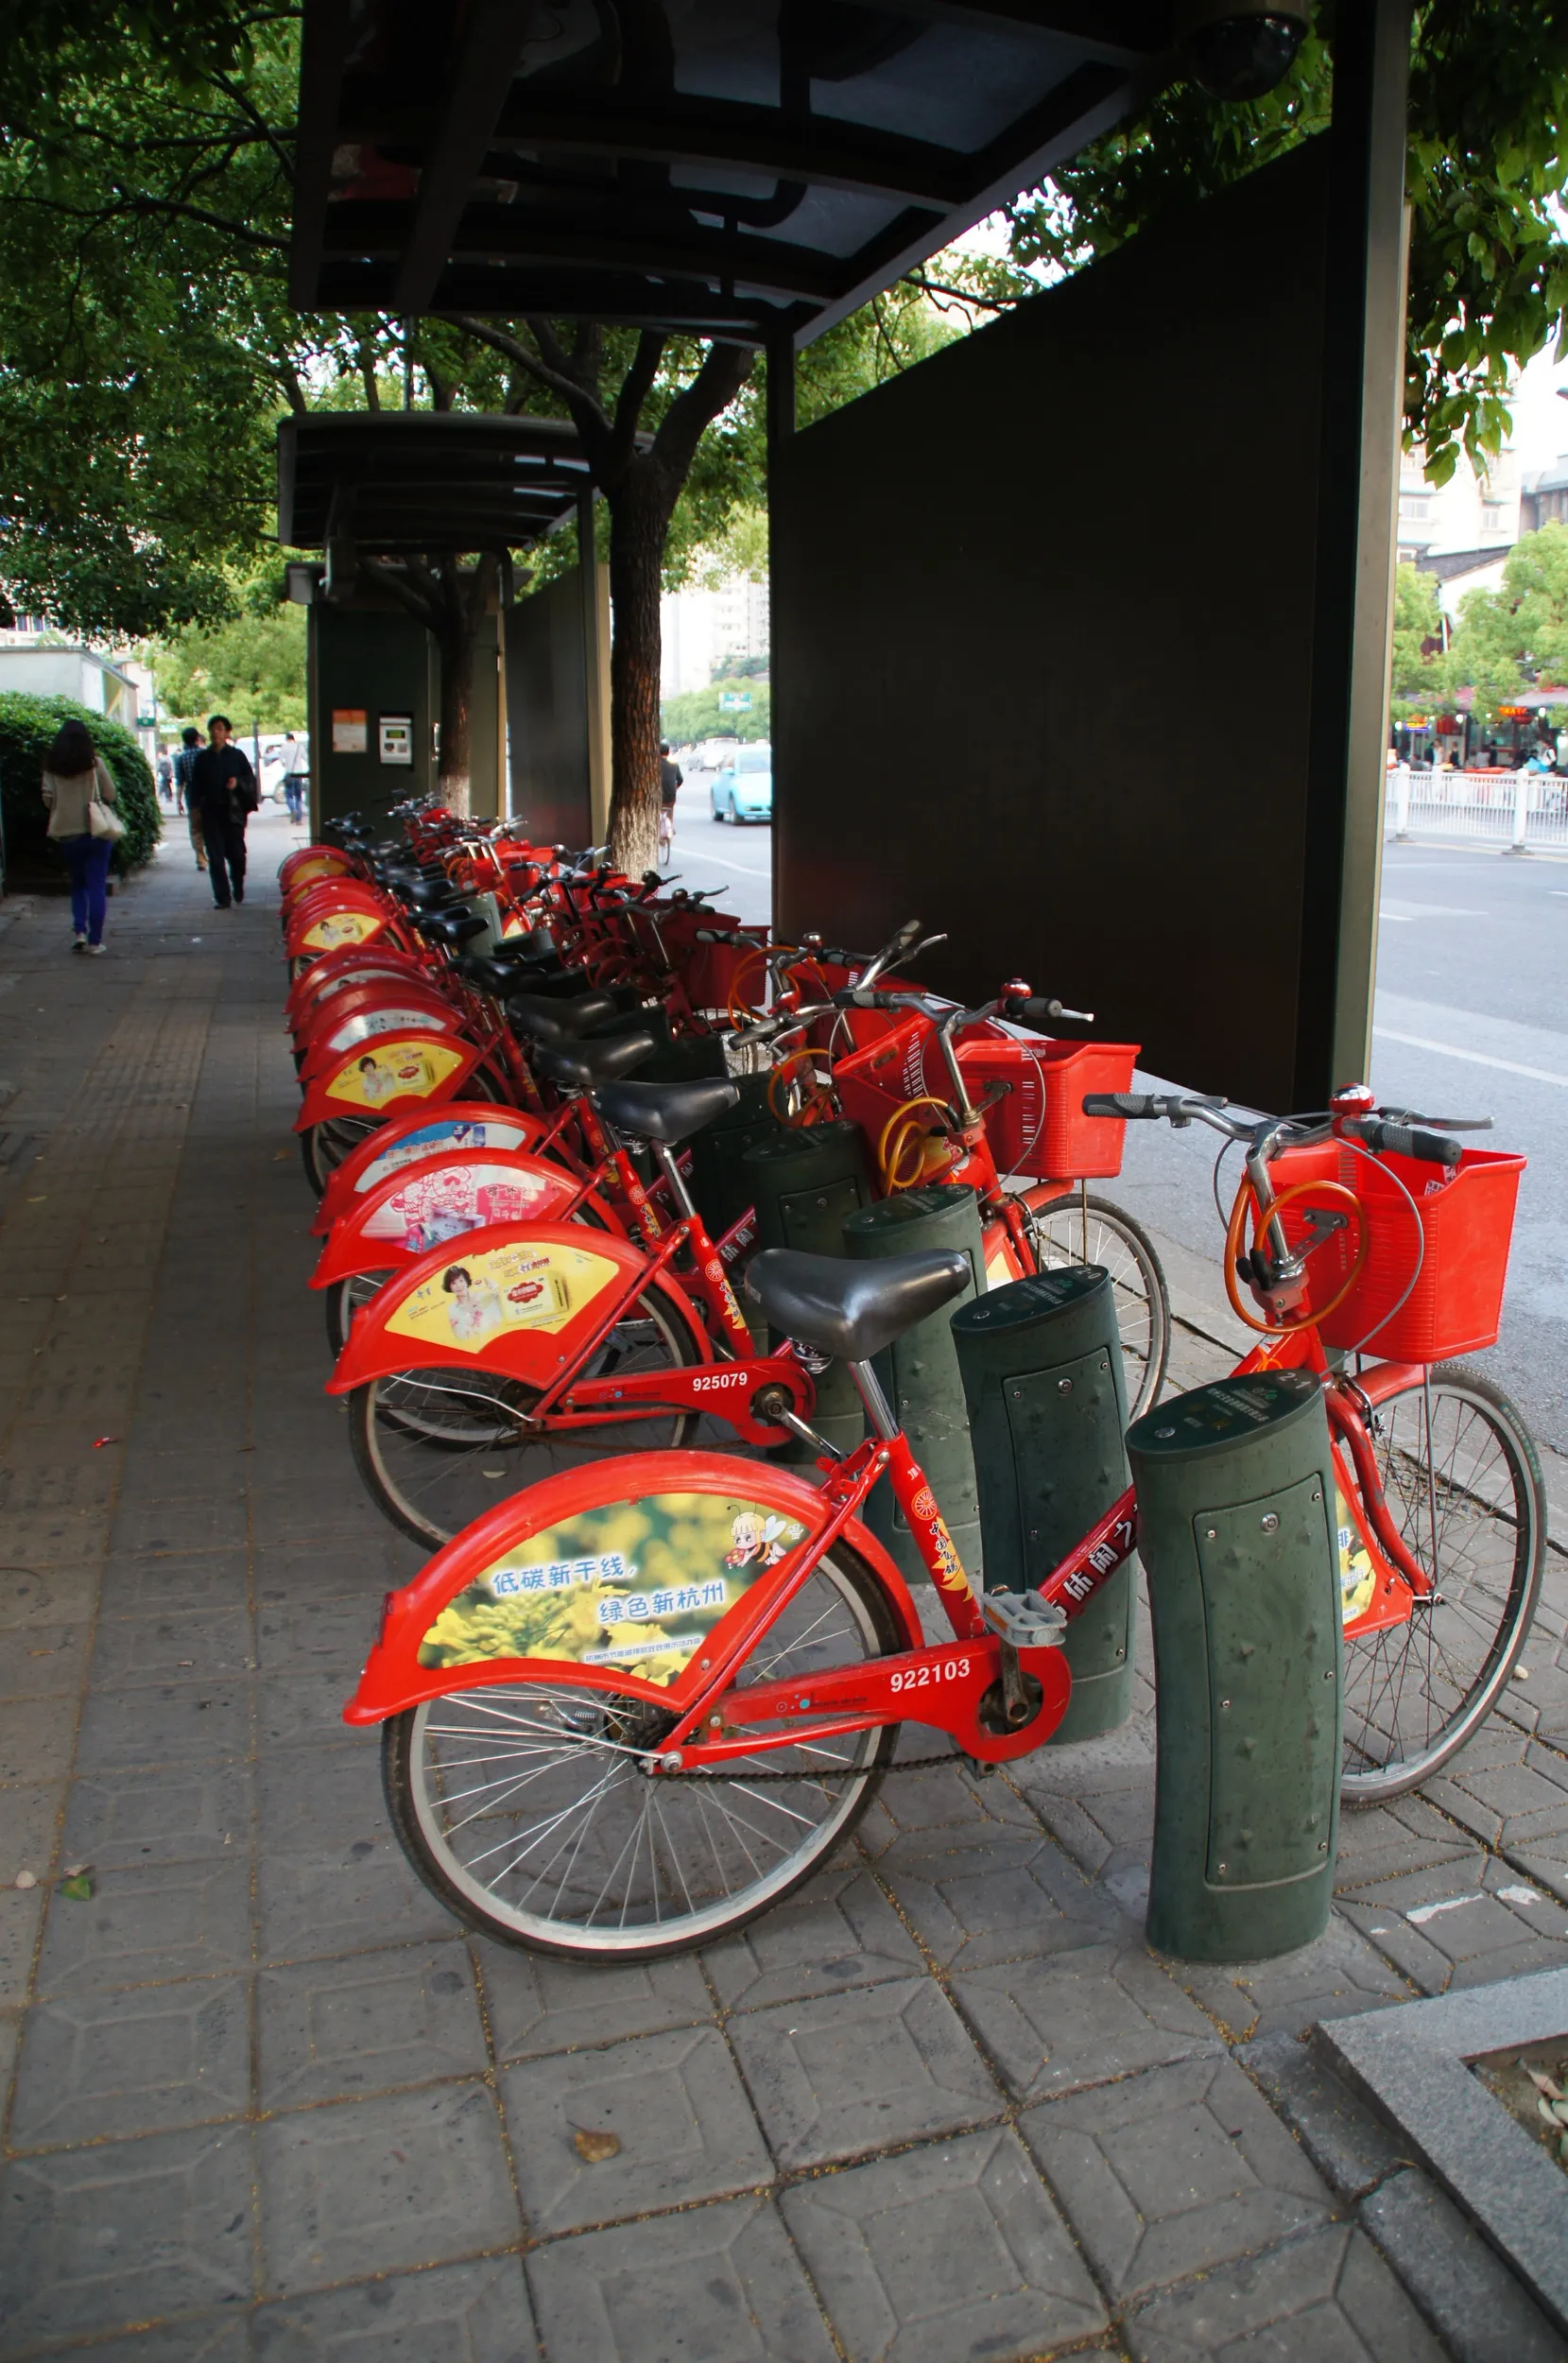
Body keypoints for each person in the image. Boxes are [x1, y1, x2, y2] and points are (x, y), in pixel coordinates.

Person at [40, 717, 116, 957]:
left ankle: (80, 933)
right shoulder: (95, 764)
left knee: (78, 884)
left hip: (68, 833)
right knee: (96, 885)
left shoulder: (52, 768)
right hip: (96, 831)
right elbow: (110, 794)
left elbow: (47, 799)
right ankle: (95, 941)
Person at [188, 714, 258, 908]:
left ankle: (238, 884)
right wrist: (194, 809)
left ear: (227, 732)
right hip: (211, 813)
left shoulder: (237, 756)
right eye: (213, 728)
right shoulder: (202, 758)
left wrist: (237, 783)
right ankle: (222, 897)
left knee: (236, 855)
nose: (215, 732)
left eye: (220, 728)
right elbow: (195, 787)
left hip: (233, 813)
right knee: (216, 857)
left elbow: (250, 782)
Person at [173, 725, 204, 869]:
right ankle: (213, 855)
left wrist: (178, 801)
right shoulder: (205, 754)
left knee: (195, 829)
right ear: (197, 738)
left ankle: (200, 858)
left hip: (192, 797)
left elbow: (180, 782)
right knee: (209, 827)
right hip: (208, 796)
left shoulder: (181, 758)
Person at [659, 740, 681, 862]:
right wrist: (674, 789)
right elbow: (680, 780)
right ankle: (670, 827)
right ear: (668, 753)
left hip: (658, 799)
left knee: (655, 814)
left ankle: (656, 833)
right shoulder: (674, 766)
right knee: (669, 813)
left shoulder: (654, 766)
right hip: (671, 798)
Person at [280, 733, 308, 825]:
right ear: (293, 739)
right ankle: (299, 820)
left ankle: (293, 809)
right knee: (298, 797)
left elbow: (281, 761)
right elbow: (307, 758)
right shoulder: (300, 747)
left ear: (287, 739)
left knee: (288, 795)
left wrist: (286, 764)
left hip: (289, 774)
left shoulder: (284, 747)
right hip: (298, 774)